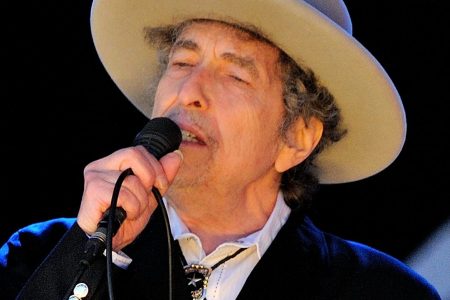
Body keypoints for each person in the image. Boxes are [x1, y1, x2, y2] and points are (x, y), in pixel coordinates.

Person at [0, 0, 442, 299]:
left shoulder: (379, 292)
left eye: (235, 75)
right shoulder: (41, 255)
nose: (189, 92)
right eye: (182, 63)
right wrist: (91, 254)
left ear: (297, 138)